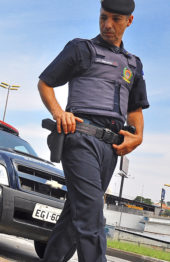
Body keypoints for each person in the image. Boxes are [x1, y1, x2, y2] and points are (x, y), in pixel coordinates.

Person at [37, 0, 149, 261]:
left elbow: (135, 110)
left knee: (74, 218)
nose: (107, 25)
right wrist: (58, 112)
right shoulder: (81, 49)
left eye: (116, 19)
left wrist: (138, 136)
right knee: (90, 215)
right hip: (80, 139)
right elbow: (45, 83)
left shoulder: (133, 64)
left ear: (129, 21)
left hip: (111, 148)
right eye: (103, 17)